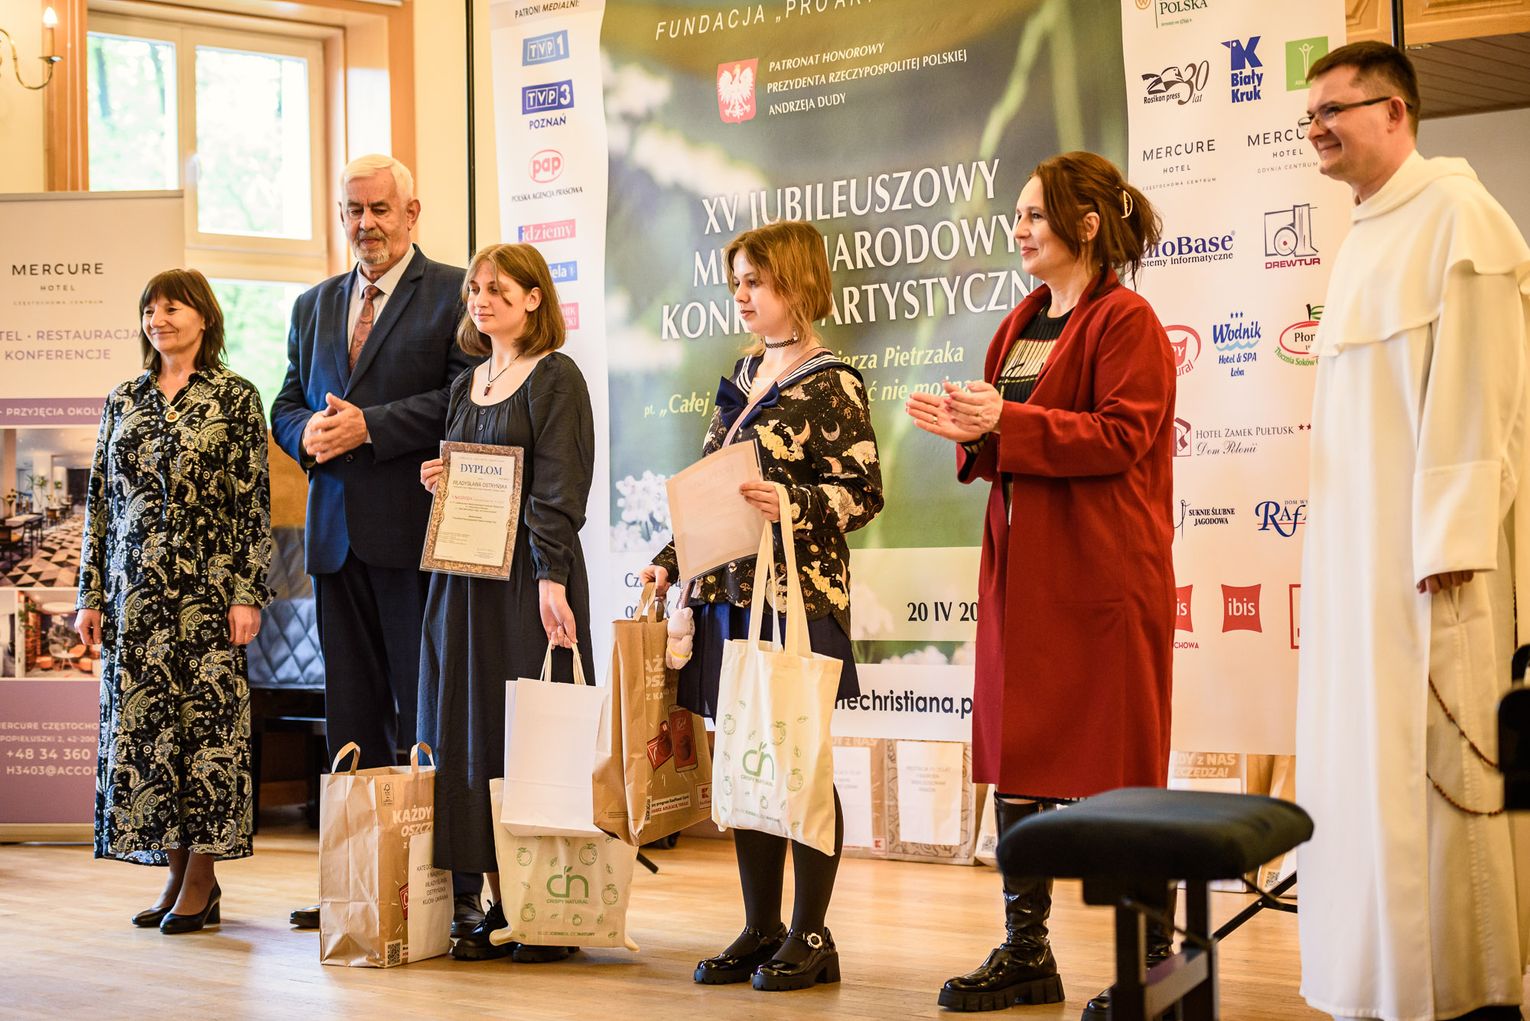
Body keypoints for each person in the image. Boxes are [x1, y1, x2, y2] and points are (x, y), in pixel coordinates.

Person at [905, 151, 1175, 1015]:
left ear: (1086, 225)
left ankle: (1155, 966)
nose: (1017, 229)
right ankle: (1027, 951)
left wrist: (1007, 421)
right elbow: (1010, 441)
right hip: (1023, 571)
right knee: (1015, 754)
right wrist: (975, 432)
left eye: (1034, 214)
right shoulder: (1019, 322)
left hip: (1101, 576)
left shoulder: (1127, 320)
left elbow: (1121, 436)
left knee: (1121, 766)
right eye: (1017, 215)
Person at [1296, 41, 1530, 1021]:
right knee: (1364, 776)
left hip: (1434, 574)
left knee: (1441, 778)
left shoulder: (1460, 217)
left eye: (1333, 110)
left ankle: (1466, 994)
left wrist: (1450, 543)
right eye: (1309, 114)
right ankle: (1380, 983)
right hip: (1361, 568)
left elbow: (1482, 394)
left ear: (1394, 112)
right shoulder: (1365, 233)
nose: (1316, 128)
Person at [643, 219, 883, 992]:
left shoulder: (833, 380)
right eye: (737, 282)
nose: (742, 295)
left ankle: (813, 931)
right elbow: (712, 489)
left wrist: (794, 502)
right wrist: (667, 561)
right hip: (728, 597)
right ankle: (761, 925)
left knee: (799, 758)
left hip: (797, 600)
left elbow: (864, 494)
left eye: (757, 281)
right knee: (746, 754)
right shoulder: (744, 372)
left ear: (797, 282)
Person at [270, 154, 479, 933]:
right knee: (351, 715)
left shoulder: (456, 292)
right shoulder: (313, 304)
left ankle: (447, 885)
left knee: (427, 710)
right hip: (333, 542)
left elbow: (467, 397)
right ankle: (355, 879)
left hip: (416, 536)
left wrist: (373, 426)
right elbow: (286, 401)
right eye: (353, 210)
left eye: (380, 209)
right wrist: (306, 434)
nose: (366, 224)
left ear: (412, 212)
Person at [75, 269, 273, 934]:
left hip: (209, 595)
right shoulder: (122, 398)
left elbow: (252, 503)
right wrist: (89, 594)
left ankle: (203, 878)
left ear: (204, 317)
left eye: (172, 308)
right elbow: (99, 503)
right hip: (133, 597)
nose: (158, 319)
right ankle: (175, 871)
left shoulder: (235, 397)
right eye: (149, 309)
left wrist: (247, 592)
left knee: (207, 738)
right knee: (148, 738)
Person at [415, 243, 596, 964]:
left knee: (530, 738)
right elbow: (472, 476)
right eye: (474, 290)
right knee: (472, 733)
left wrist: (552, 578)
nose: (481, 300)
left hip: (527, 581)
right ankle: (499, 903)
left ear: (533, 298)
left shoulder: (556, 376)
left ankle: (548, 909)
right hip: (464, 582)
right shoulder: (468, 383)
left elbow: (560, 486)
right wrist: (443, 480)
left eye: (497, 288)